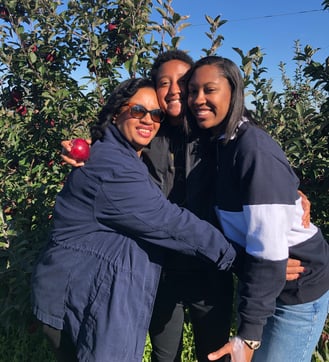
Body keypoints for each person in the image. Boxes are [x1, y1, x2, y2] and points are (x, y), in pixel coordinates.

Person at [61, 50, 310, 362]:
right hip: (161, 268)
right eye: (164, 82)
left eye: (184, 82)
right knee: (166, 356)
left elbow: (257, 166)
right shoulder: (147, 131)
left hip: (211, 268)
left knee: (214, 353)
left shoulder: (212, 132)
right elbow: (112, 148)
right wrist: (84, 153)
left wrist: (292, 192)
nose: (175, 89)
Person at [31, 77, 239, 362]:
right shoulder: (113, 168)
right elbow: (171, 223)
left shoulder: (123, 155)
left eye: (157, 114)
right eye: (138, 110)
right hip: (82, 297)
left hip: (88, 291)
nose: (149, 120)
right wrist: (241, 258)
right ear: (117, 112)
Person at [185, 55, 329, 362]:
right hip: (268, 286)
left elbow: (269, 252)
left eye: (209, 90)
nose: (198, 99)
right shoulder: (220, 144)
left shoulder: (251, 149)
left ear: (233, 91)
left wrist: (248, 335)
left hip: (297, 288)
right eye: (192, 91)